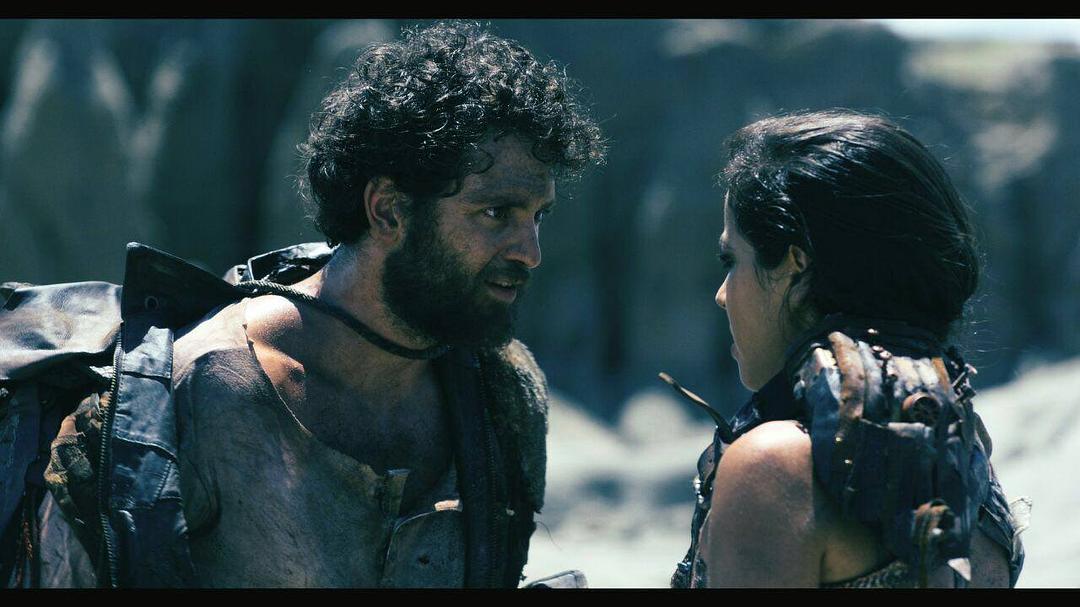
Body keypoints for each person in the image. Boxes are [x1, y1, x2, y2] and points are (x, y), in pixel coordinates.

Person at [6, 20, 604, 588]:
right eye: (496, 213)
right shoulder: (197, 397)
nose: (530, 252)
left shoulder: (502, 394)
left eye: (538, 217)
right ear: (388, 210)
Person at [670, 110, 1026, 588]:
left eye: (730, 259)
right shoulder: (956, 453)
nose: (721, 294)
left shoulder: (774, 468)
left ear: (796, 267)